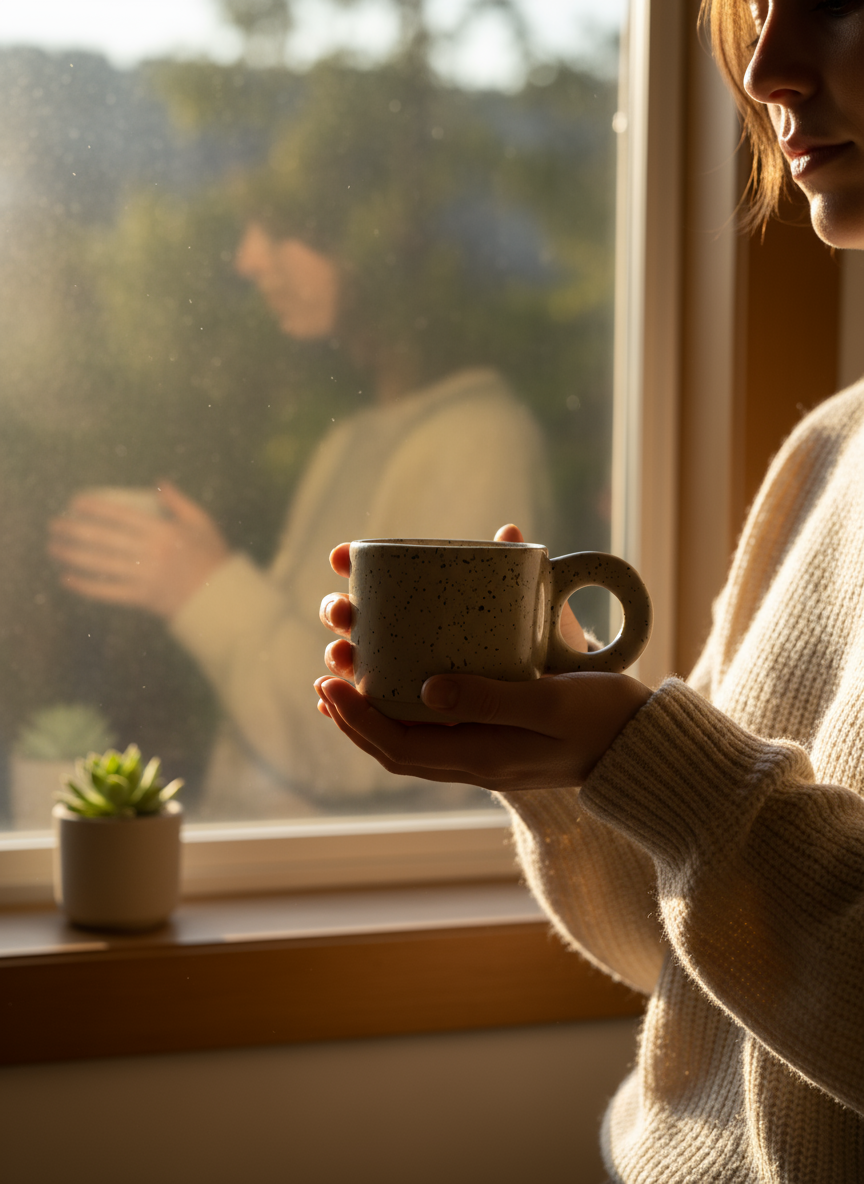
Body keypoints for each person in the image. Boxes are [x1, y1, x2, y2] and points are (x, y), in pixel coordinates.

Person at [315, 1, 864, 1179]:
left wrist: (658, 760)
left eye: (837, 4)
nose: (767, 70)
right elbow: (699, 961)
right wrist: (561, 773)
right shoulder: (831, 452)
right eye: (760, 11)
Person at [48, 216, 552, 818]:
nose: (249, 257)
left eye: (283, 223)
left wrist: (203, 588)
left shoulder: (476, 438)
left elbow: (383, 751)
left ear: (371, 239)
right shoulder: (354, 440)